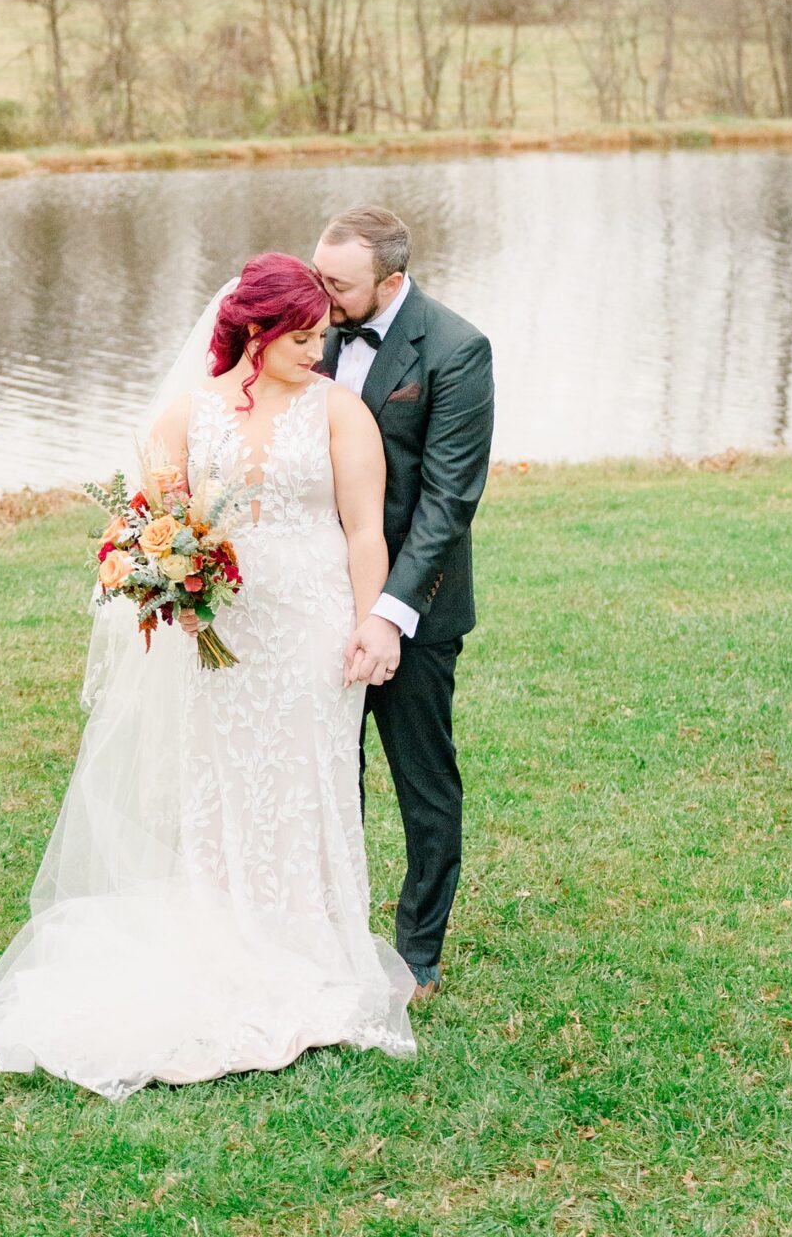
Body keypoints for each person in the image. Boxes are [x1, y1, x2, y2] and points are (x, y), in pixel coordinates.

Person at [0, 255, 416, 1098]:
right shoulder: (184, 417)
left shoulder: (342, 413)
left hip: (312, 631)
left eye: (323, 335)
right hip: (219, 633)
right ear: (253, 332)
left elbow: (365, 530)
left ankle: (312, 945)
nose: (318, 351)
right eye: (301, 339)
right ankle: (225, 938)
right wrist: (169, 592)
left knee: (307, 780)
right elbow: (156, 526)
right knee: (219, 780)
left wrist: (374, 622)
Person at [311, 206, 495, 999]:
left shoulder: (455, 350)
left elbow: (447, 503)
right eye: (318, 274)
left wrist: (387, 612)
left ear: (389, 282)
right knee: (323, 772)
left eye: (338, 284)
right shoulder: (305, 333)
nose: (321, 296)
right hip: (315, 597)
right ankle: (328, 929)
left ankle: (418, 951)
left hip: (413, 612)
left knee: (423, 781)